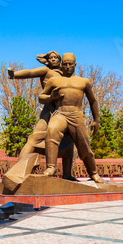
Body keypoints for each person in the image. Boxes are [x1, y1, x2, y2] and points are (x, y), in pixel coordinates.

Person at [8, 51, 76, 181]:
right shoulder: (46, 71)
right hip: (49, 111)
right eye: (51, 58)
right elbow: (30, 72)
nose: (54, 59)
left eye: (56, 57)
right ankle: (18, 170)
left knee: (69, 142)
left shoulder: (65, 73)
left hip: (64, 112)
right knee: (34, 139)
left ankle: (67, 174)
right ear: (47, 60)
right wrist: (14, 75)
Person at [39, 53, 103, 183]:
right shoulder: (54, 80)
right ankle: (51, 167)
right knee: (51, 131)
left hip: (76, 115)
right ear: (62, 65)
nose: (67, 67)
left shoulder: (84, 81)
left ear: (75, 65)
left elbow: (93, 101)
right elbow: (41, 97)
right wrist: (51, 97)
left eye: (70, 64)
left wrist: (96, 120)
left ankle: (93, 173)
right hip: (60, 114)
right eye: (65, 64)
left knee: (84, 146)